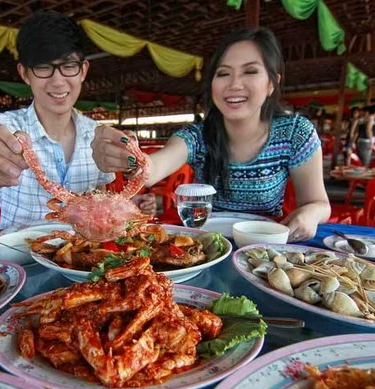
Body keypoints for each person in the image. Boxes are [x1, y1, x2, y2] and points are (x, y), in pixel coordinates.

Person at [91, 27, 331, 241]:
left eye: (250, 71)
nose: (234, 84)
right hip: (208, 246)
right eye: (223, 73)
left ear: (271, 83)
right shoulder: (197, 136)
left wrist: (310, 214)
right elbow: (152, 168)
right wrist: (129, 156)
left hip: (265, 248)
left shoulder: (295, 133)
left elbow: (319, 204)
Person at [0, 10, 155, 229]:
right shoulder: (4, 127)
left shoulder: (100, 136)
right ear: (25, 73)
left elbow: (98, 198)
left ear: (82, 71)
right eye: (43, 68)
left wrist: (121, 206)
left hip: (81, 258)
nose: (57, 81)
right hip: (19, 256)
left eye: (68, 66)